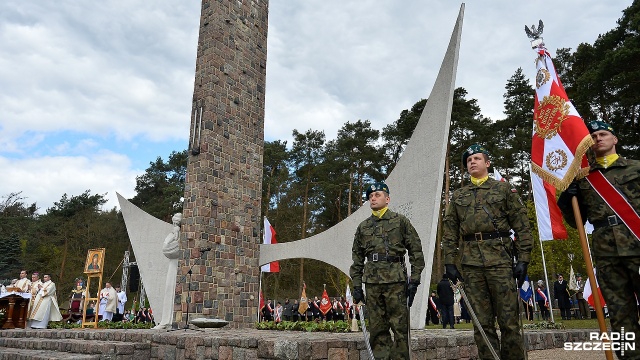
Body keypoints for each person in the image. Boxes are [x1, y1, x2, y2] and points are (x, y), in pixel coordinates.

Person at [557, 120, 640, 358]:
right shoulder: (584, 180)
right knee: (620, 313)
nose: (598, 138)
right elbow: (577, 222)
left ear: (615, 139)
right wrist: (566, 203)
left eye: (603, 134)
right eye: (593, 136)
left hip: (637, 243)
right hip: (606, 254)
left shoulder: (635, 168)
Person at [442, 144, 532, 360]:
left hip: (500, 261)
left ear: (487, 163)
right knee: (481, 324)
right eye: (468, 160)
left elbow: (522, 225)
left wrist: (523, 259)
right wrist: (449, 263)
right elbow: (450, 230)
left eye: (477, 158)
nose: (472, 162)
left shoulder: (504, 189)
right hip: (471, 265)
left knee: (509, 322)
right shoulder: (459, 195)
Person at [350, 181, 425, 360]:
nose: (373, 198)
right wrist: (356, 286)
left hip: (396, 282)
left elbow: (416, 250)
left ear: (387, 198)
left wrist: (415, 279)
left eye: (377, 195)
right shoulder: (363, 226)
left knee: (399, 328)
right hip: (373, 283)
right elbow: (357, 259)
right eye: (370, 196)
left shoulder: (400, 221)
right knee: (377, 328)